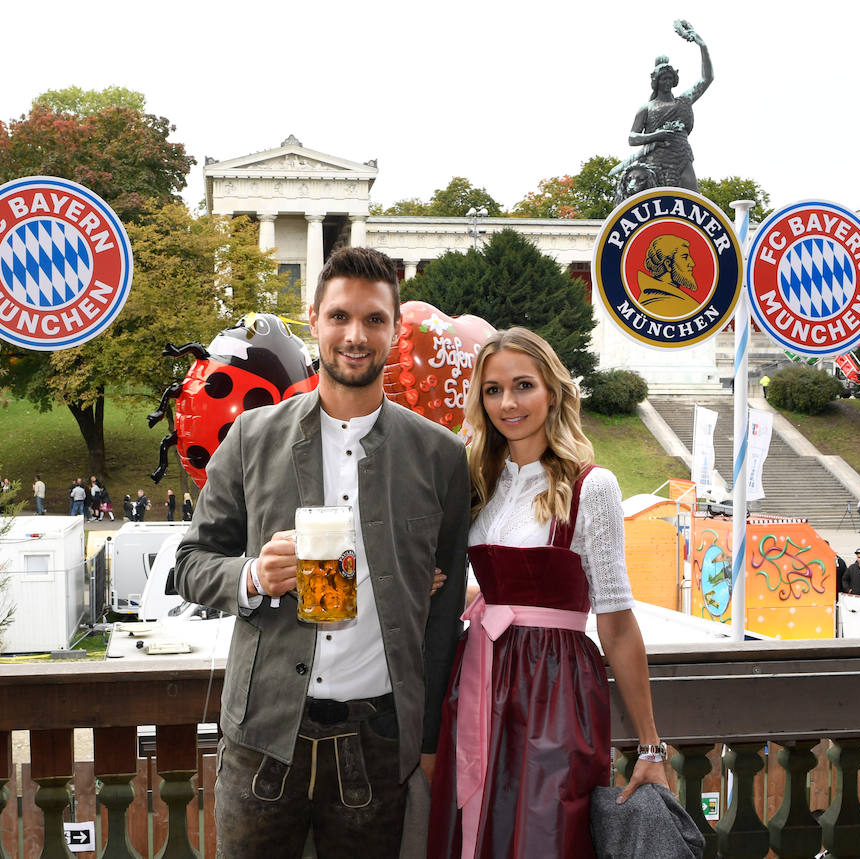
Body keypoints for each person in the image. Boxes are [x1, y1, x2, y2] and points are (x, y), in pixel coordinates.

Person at [175, 246, 470, 859]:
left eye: (373, 319)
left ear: (393, 328)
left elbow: (443, 618)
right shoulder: (253, 438)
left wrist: (431, 738)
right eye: (340, 317)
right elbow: (191, 562)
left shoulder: (439, 456)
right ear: (314, 319)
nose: (355, 336)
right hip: (263, 736)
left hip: (378, 741)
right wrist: (255, 575)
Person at [427, 327, 668, 859]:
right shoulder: (476, 478)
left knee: (545, 833)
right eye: (492, 390)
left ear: (552, 392)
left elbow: (616, 619)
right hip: (478, 674)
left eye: (522, 385)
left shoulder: (592, 485)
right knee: (475, 825)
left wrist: (651, 744)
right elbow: (492, 582)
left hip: (555, 685)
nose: (508, 402)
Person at [619, 20, 712, 196]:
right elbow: (632, 138)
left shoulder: (683, 101)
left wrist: (703, 46)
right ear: (656, 82)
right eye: (663, 79)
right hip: (655, 162)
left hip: (681, 155)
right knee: (656, 203)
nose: (667, 82)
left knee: (694, 199)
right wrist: (657, 135)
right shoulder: (647, 108)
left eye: (670, 78)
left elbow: (707, 78)